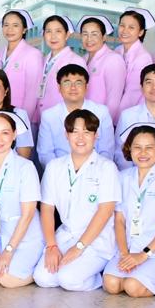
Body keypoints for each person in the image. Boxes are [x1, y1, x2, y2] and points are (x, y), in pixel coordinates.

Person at [33, 108, 119, 291]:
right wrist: (51, 246)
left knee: (68, 279)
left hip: (96, 241)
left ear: (96, 135)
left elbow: (105, 211)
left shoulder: (106, 167)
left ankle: (99, 278)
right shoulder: (54, 167)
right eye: (75, 132)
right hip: (66, 235)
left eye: (87, 132)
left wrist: (79, 247)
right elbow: (47, 208)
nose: (80, 138)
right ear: (66, 135)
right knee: (43, 279)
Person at [102, 123, 155, 298]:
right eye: (137, 147)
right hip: (128, 248)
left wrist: (143, 255)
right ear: (129, 149)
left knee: (132, 286)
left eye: (149, 147)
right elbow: (119, 220)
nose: (143, 153)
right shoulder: (122, 177)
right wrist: (124, 253)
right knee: (111, 284)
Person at [0, 108, 43, 289]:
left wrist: (9, 251)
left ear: (14, 135)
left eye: (5, 133)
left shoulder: (25, 167)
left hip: (26, 237)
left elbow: (28, 214)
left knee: (7, 279)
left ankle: (37, 271)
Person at [35, 64, 115, 170]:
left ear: (86, 87)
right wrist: (63, 173)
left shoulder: (101, 112)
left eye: (78, 83)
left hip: (95, 171)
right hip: (59, 172)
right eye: (67, 83)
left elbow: (107, 151)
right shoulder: (49, 116)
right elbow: (45, 154)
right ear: (59, 88)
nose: (73, 87)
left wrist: (93, 171)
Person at [0, 9, 44, 119]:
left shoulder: (33, 54)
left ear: (24, 29)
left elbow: (33, 92)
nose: (10, 29)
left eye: (15, 25)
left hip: (20, 115)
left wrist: (23, 119)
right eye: (6, 25)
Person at [32, 15, 85, 119]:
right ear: (43, 35)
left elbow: (79, 97)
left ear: (67, 35)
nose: (53, 36)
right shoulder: (44, 60)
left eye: (58, 31)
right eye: (48, 31)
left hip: (64, 119)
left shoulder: (76, 61)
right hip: (41, 116)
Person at [77, 15, 126, 119]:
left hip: (100, 121)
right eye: (85, 34)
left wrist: (105, 123)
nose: (89, 39)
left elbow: (114, 99)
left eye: (94, 34)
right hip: (82, 120)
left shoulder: (113, 59)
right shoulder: (82, 59)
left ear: (104, 37)